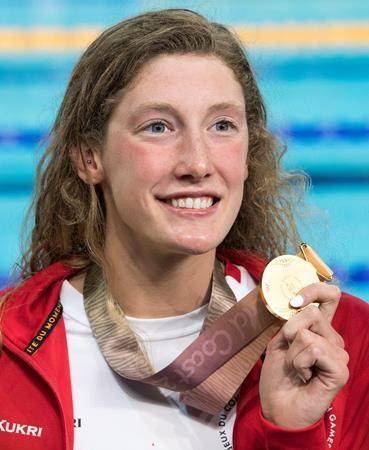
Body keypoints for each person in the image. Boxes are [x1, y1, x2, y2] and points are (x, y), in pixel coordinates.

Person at [0, 8, 368, 450]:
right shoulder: (9, 345)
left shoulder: (344, 339)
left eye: (222, 126)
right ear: (89, 158)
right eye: (158, 127)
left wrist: (291, 434)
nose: (197, 163)